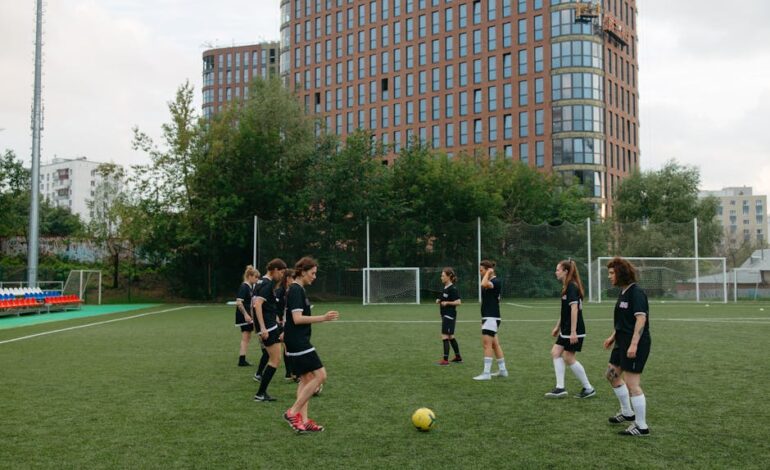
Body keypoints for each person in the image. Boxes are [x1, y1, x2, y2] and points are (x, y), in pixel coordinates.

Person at [282, 257, 339, 433]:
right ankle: (293, 412)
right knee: (321, 375)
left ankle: (304, 421)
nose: (314, 277)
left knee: (306, 379)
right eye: (312, 273)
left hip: (297, 340)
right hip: (298, 341)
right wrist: (323, 318)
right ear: (303, 271)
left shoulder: (298, 289)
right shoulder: (296, 290)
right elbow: (297, 319)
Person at [603, 257, 652, 437]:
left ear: (621, 273)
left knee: (633, 384)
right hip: (621, 342)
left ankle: (641, 426)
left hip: (635, 344)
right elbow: (624, 321)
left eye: (611, 273)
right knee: (611, 375)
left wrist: (633, 344)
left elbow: (640, 319)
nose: (609, 276)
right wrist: (612, 336)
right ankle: (627, 412)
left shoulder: (636, 293)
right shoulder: (623, 292)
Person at [545, 259, 596, 398]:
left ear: (565, 271)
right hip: (566, 329)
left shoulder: (572, 286)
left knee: (568, 357)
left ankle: (588, 388)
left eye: (558, 269)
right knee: (556, 352)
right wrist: (557, 327)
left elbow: (574, 309)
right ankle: (560, 388)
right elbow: (565, 311)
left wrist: (573, 331)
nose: (556, 272)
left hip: (573, 330)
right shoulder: (566, 287)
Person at [253, 258, 288, 402]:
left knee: (277, 356)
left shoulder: (260, 282)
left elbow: (255, 304)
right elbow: (257, 305)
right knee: (275, 360)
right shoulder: (267, 284)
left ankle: (261, 392)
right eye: (281, 272)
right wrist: (262, 328)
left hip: (270, 325)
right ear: (274, 270)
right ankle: (260, 393)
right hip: (268, 327)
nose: (282, 276)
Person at [473, 260, 508, 380]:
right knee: (494, 344)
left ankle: (486, 373)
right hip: (489, 317)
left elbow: (483, 284)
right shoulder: (491, 281)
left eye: (481, 270)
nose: (480, 272)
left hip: (491, 317)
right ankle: (503, 370)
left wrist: (488, 273)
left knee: (486, 345)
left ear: (488, 270)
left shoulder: (495, 281)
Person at [435, 267, 462, 366]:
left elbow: (458, 302)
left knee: (445, 336)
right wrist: (439, 300)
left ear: (449, 276)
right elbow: (443, 299)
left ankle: (445, 360)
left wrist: (447, 303)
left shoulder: (453, 288)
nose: (441, 277)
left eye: (443, 275)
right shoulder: (445, 288)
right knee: (450, 336)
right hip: (445, 315)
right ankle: (458, 357)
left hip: (449, 315)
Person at [234, 265, 259, 367]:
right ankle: (241, 360)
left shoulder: (249, 287)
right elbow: (239, 302)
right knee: (245, 337)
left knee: (247, 337)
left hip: (247, 315)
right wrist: (246, 315)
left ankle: (242, 359)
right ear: (249, 276)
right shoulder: (244, 286)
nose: (257, 279)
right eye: (255, 277)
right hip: (244, 316)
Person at [275, 271, 297, 382]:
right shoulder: (280, 291)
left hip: (288, 322)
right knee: (287, 347)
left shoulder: (292, 291)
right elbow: (273, 306)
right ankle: (291, 373)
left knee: (288, 347)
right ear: (288, 278)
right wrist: (278, 318)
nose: (294, 280)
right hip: (280, 323)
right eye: (293, 278)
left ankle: (291, 373)